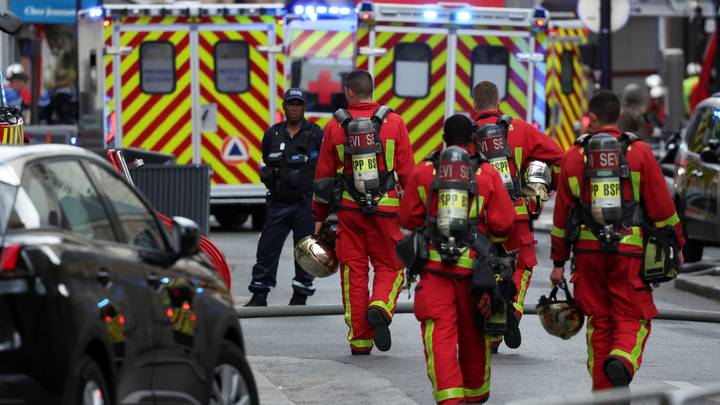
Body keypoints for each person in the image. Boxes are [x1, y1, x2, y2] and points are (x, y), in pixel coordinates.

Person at [550, 90, 684, 391]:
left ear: (592, 118)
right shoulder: (639, 153)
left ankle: (605, 395)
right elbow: (663, 209)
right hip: (629, 253)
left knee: (600, 323)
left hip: (587, 255)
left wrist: (558, 262)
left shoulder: (573, 157)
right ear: (619, 116)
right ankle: (622, 359)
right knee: (632, 316)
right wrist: (677, 245)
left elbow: (561, 218)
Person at [399, 114, 515, 404]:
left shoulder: (425, 170)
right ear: (472, 142)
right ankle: (475, 394)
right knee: (475, 335)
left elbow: (408, 217)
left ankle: (450, 399)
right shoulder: (486, 174)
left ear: (443, 139)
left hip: (434, 270)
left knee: (439, 336)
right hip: (475, 273)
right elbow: (503, 224)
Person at [312, 70, 415, 354]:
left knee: (353, 272)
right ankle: (380, 306)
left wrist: (318, 220)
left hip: (350, 210)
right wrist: (417, 215)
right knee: (391, 266)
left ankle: (360, 340)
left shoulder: (334, 127)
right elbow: (407, 174)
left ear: (349, 92)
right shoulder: (394, 123)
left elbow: (322, 178)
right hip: (387, 210)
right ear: (372, 90)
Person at [472, 81, 564, 352]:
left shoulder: (468, 135)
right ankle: (510, 310)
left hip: (479, 219)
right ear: (499, 103)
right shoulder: (520, 129)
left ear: (474, 106)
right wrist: (546, 186)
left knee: (483, 269)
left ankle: (491, 336)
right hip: (516, 215)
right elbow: (560, 157)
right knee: (521, 266)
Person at [245, 88, 324, 307]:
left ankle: (300, 295)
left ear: (304, 107)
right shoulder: (272, 134)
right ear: (284, 107)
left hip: (305, 204)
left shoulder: (316, 134)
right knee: (267, 249)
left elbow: (327, 167)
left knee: (306, 252)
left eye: (298, 104)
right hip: (278, 203)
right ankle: (259, 294)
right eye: (291, 104)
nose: (294, 108)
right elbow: (266, 161)